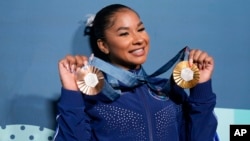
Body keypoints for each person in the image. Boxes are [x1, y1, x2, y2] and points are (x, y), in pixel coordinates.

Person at [54, 3, 218, 141]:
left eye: (140, 29)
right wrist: (71, 91)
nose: (139, 39)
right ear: (103, 45)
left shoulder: (169, 91)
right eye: (124, 33)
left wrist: (201, 88)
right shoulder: (92, 95)